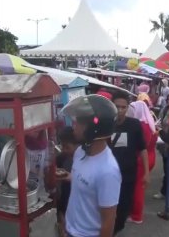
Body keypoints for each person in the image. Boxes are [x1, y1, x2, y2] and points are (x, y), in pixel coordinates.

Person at [62, 94, 121, 237]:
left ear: (94, 128)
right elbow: (85, 182)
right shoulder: (80, 152)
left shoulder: (108, 171)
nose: (73, 125)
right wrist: (67, 176)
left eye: (79, 122)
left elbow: (108, 222)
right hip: (70, 230)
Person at [110, 92, 149, 235]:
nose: (120, 110)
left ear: (127, 108)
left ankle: (116, 227)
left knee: (123, 210)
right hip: (108, 176)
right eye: (116, 107)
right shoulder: (105, 125)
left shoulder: (134, 125)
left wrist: (146, 173)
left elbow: (143, 149)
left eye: (123, 107)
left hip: (127, 176)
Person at [126, 101, 158, 224]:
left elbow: (138, 146)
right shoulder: (148, 123)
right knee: (140, 187)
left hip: (141, 160)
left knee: (138, 188)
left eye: (132, 109)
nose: (130, 112)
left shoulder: (140, 125)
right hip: (150, 157)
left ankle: (136, 216)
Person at [55, 127, 80, 237]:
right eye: (62, 146)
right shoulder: (61, 158)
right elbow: (60, 191)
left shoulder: (84, 160)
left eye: (67, 147)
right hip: (65, 204)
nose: (64, 150)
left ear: (78, 145)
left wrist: (73, 178)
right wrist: (60, 214)